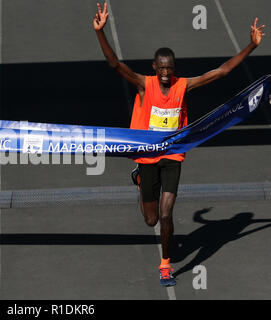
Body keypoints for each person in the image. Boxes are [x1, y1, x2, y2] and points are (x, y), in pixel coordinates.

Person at [93, 2, 265, 287]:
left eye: (169, 68)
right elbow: (114, 64)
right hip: (147, 157)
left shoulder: (182, 85)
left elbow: (221, 72)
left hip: (173, 154)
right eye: (161, 67)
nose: (165, 72)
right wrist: (100, 32)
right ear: (154, 67)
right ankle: (140, 180)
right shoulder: (143, 83)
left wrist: (251, 45)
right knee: (150, 220)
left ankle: (165, 265)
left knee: (166, 213)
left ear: (174, 69)